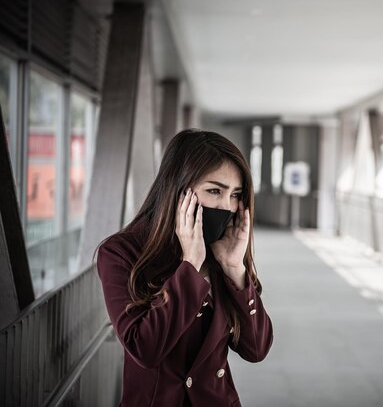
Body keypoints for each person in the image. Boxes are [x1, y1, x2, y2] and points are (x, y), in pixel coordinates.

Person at [94, 129, 273, 407]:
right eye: (214, 191)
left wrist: (234, 268)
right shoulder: (120, 253)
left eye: (236, 194)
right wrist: (190, 264)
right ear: (178, 190)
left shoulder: (223, 250)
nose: (227, 207)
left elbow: (256, 348)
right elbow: (145, 349)